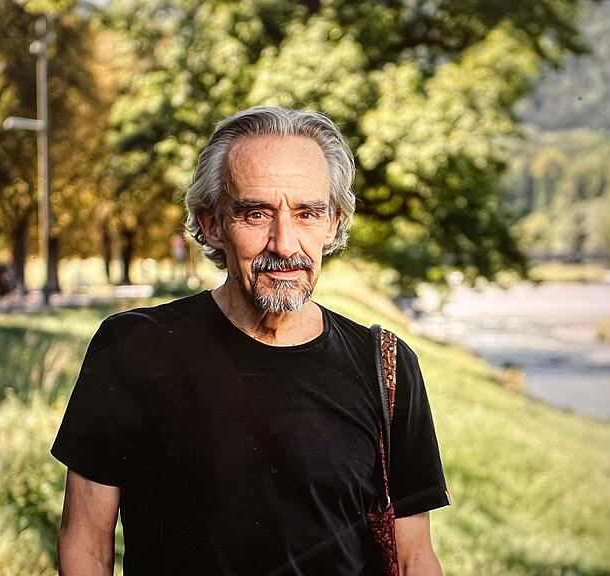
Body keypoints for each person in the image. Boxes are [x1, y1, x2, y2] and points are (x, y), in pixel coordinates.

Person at [52, 107, 451, 576]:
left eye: (307, 214)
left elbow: (413, 556)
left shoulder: (385, 367)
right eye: (256, 214)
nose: (285, 244)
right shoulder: (132, 349)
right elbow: (85, 544)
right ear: (211, 224)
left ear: (334, 222)